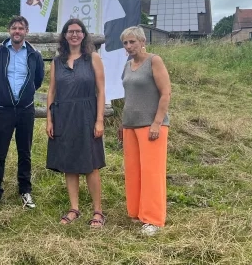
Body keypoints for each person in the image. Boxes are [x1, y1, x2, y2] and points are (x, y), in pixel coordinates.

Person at [46, 19, 106, 228]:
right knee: (69, 163)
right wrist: (49, 119)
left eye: (78, 31)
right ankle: (74, 209)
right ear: (64, 35)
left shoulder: (93, 58)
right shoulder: (56, 62)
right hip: (63, 115)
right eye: (70, 31)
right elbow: (51, 91)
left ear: (83, 35)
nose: (74, 35)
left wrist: (99, 120)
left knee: (91, 164)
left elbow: (100, 90)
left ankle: (98, 212)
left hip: (87, 114)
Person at [0, 15, 44, 213]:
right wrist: (2, 97)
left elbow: (38, 80)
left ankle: (25, 190)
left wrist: (25, 95)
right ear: (9, 31)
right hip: (4, 110)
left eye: (21, 28)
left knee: (25, 152)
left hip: (26, 109)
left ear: (26, 31)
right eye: (14, 28)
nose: (17, 31)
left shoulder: (34, 54)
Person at [118, 26, 171, 236]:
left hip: (151, 126)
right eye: (125, 43)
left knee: (152, 172)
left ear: (142, 41)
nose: (129, 46)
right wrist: (123, 123)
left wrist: (157, 123)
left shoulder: (154, 61)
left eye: (132, 42)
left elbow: (166, 93)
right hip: (130, 125)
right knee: (133, 171)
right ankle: (137, 213)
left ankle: (153, 219)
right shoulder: (127, 65)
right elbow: (128, 98)